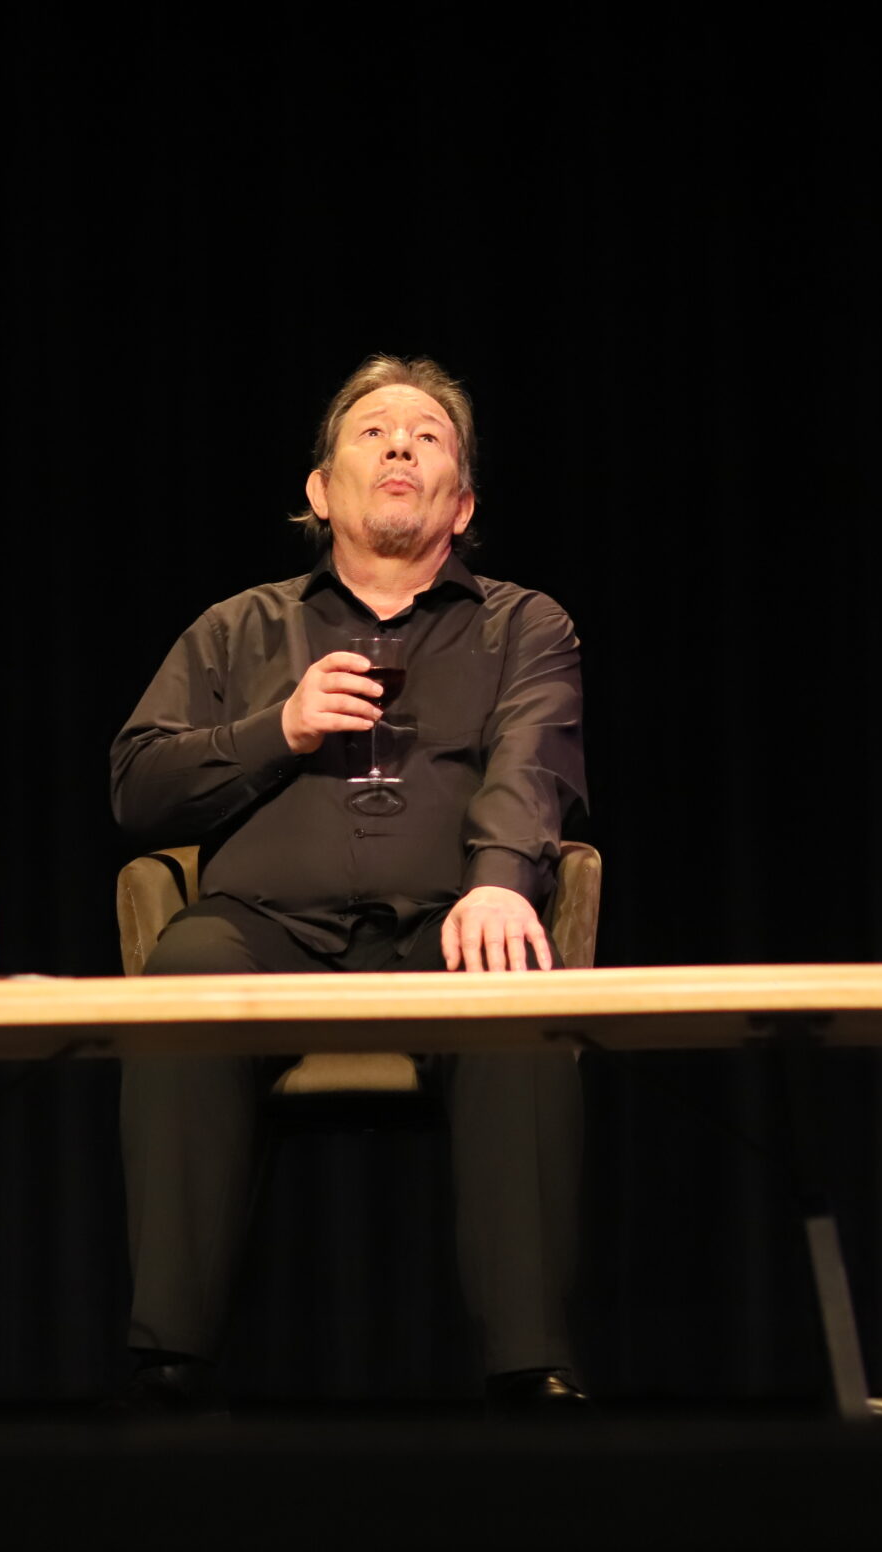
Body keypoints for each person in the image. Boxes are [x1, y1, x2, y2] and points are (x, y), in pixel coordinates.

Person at [110, 355, 590, 1414]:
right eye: (372, 431)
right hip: (261, 931)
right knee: (185, 973)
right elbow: (138, 788)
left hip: (444, 928)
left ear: (462, 505)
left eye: (428, 435)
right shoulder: (237, 629)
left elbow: (533, 763)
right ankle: (166, 1365)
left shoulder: (524, 625)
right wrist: (274, 729)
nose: (400, 443)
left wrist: (500, 882)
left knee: (512, 985)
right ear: (321, 491)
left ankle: (532, 1369)